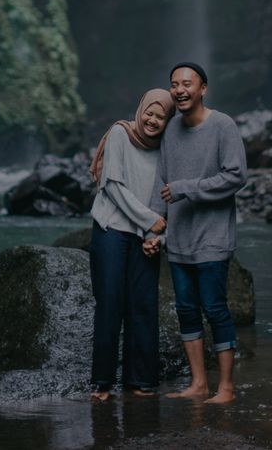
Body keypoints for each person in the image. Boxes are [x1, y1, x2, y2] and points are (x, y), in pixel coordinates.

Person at [148, 61, 247, 404]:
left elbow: (236, 176)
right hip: (179, 240)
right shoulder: (171, 130)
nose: (180, 89)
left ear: (203, 88)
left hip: (213, 237)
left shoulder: (223, 126)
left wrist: (187, 187)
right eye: (174, 84)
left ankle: (227, 388)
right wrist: (153, 228)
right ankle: (199, 384)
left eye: (187, 83)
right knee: (186, 310)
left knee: (215, 309)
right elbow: (161, 182)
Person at [88, 87, 175, 401]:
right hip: (111, 228)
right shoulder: (119, 134)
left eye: (160, 117)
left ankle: (139, 381)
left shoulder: (165, 149)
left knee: (143, 306)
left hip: (144, 236)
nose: (152, 121)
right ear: (141, 110)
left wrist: (158, 237)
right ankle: (102, 383)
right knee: (110, 303)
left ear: (168, 121)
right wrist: (149, 221)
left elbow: (164, 200)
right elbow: (112, 185)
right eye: (149, 113)